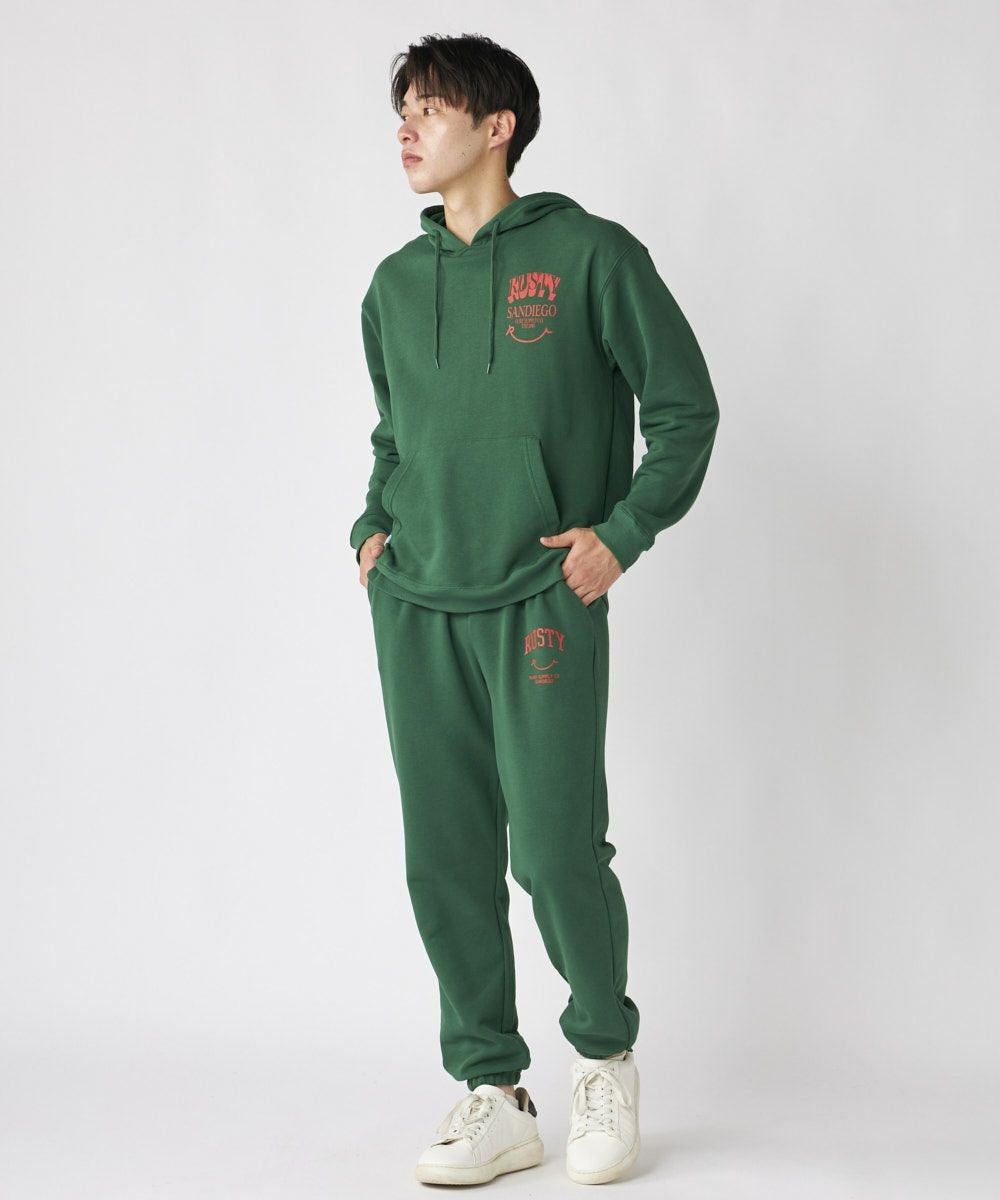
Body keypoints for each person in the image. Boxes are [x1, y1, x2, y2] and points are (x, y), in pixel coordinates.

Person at [349, 33, 720, 1187]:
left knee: (556, 850)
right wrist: (370, 524)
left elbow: (685, 410)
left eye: (430, 107)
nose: (407, 127)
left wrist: (623, 532)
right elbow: (396, 436)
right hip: (416, 600)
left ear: (497, 125)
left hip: (540, 594)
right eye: (402, 108)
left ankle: (602, 1057)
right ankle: (493, 1091)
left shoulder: (592, 255)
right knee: (443, 856)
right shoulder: (393, 286)